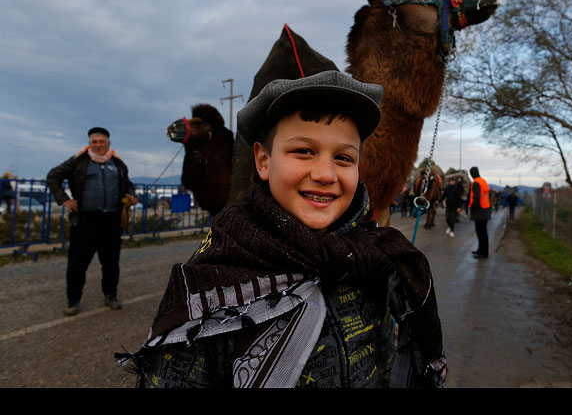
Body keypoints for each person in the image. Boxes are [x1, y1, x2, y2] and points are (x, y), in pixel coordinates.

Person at [117, 71, 446, 388]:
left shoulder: (377, 262)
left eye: (344, 158)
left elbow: (385, 360)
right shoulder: (210, 284)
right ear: (262, 160)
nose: (326, 174)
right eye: (303, 151)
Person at [47, 127, 138, 316]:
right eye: (94, 142)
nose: (98, 145)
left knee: (111, 263)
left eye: (101, 142)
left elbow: (127, 183)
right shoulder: (78, 161)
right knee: (77, 265)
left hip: (111, 222)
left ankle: (110, 295)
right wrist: (64, 200)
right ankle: (73, 301)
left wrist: (131, 195)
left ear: (108, 143)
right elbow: (53, 176)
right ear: (89, 143)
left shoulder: (118, 163)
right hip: (85, 222)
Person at [468, 166, 491, 259]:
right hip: (485, 210)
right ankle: (481, 250)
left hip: (479, 211)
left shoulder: (476, 182)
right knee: (483, 233)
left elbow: (477, 198)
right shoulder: (483, 181)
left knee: (481, 233)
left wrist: (472, 207)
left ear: (472, 174)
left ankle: (483, 253)